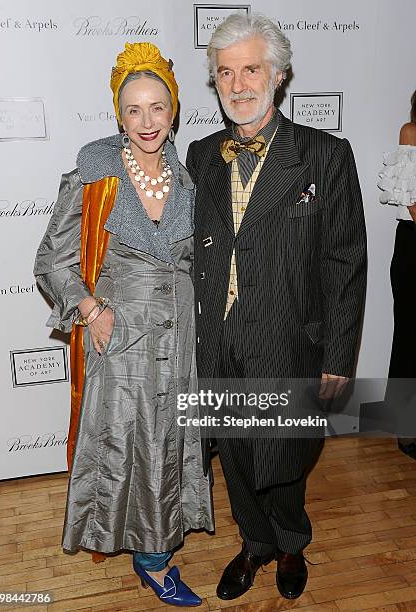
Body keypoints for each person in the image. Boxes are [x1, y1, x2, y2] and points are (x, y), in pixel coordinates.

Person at [187, 13, 367, 601]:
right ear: (215, 82)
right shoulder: (200, 155)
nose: (239, 84)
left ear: (279, 74)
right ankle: (255, 543)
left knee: (284, 457)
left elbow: (344, 265)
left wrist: (339, 358)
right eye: (226, 73)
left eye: (251, 69)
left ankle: (290, 543)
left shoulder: (325, 155)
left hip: (289, 339)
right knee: (235, 452)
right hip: (221, 342)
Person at [34, 42, 213, 608]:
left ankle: (154, 553)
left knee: (169, 442)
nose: (146, 122)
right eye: (133, 110)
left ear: (175, 108)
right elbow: (52, 260)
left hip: (181, 334)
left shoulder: (189, 177)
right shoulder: (96, 170)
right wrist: (91, 309)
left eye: (157, 108)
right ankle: (150, 558)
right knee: (127, 447)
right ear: (118, 113)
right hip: (122, 335)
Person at [378, 90, 416, 459]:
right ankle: (406, 429)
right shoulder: (412, 131)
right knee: (410, 338)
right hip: (414, 248)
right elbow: (410, 198)